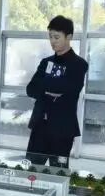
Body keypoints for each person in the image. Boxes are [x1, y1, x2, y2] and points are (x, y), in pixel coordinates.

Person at [25, 16, 88, 167]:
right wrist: (52, 90)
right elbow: (30, 89)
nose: (53, 41)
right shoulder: (46, 62)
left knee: (58, 172)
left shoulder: (79, 64)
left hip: (62, 129)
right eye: (50, 37)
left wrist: (46, 86)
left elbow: (70, 92)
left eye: (57, 37)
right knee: (30, 171)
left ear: (69, 37)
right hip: (39, 126)